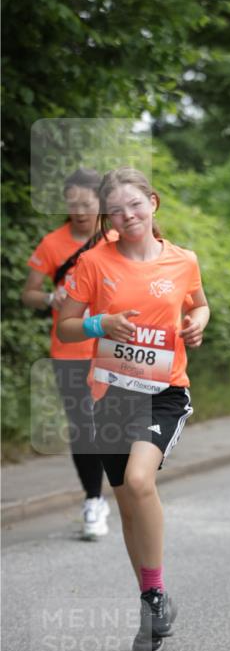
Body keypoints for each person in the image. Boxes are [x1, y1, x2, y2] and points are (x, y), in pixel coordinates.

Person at [57, 167, 210, 651]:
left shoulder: (182, 261)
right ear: (107, 218)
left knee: (141, 482)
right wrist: (102, 322)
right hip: (111, 394)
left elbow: (200, 305)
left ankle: (156, 592)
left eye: (136, 204)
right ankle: (152, 598)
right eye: (117, 210)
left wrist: (196, 325)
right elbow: (66, 328)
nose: (128, 215)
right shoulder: (94, 262)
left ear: (154, 202)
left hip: (163, 391)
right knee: (126, 503)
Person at [22, 168, 111, 539]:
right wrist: (49, 298)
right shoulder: (52, 244)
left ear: (101, 203)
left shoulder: (115, 239)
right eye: (72, 203)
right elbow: (28, 294)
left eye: (86, 203)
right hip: (70, 351)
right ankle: (94, 499)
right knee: (83, 427)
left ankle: (130, 488)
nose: (79, 210)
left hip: (112, 350)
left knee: (117, 425)